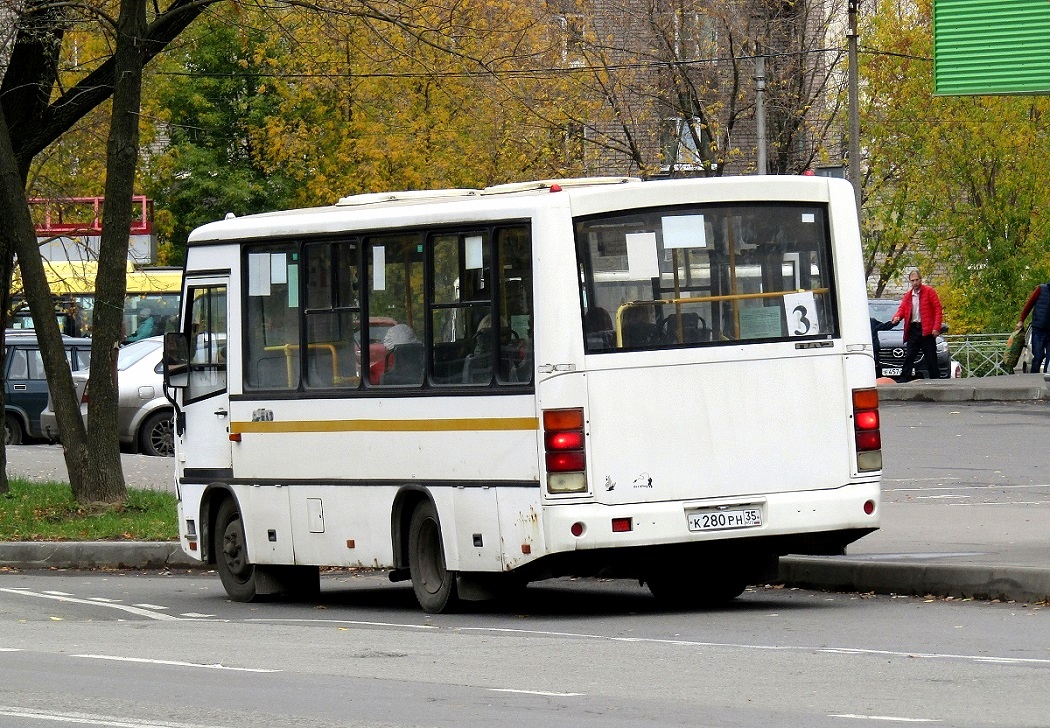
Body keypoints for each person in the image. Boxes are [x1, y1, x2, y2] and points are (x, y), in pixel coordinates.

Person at [890, 269, 943, 380]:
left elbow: (938, 309)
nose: (915, 283)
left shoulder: (929, 291)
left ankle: (936, 381)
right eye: (912, 281)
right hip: (913, 330)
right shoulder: (908, 296)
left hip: (926, 330)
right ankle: (903, 380)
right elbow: (902, 309)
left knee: (931, 358)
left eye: (916, 280)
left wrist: (936, 327)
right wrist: (897, 317)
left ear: (921, 280)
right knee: (909, 356)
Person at [1017, 281, 1050, 373]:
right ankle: (1034, 378)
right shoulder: (1041, 289)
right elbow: (1029, 304)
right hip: (1038, 329)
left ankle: (1047, 380)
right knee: (1038, 356)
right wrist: (1021, 320)